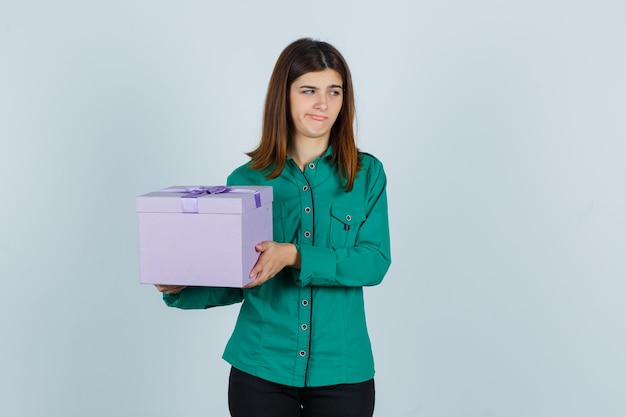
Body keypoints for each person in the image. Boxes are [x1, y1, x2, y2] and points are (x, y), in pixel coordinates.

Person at [155, 38, 391, 417]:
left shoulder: (366, 175)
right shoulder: (246, 180)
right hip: (260, 369)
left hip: (344, 371)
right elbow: (239, 276)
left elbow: (374, 262)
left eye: (335, 91)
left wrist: (295, 255)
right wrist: (183, 288)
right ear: (285, 95)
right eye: (309, 90)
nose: (323, 104)